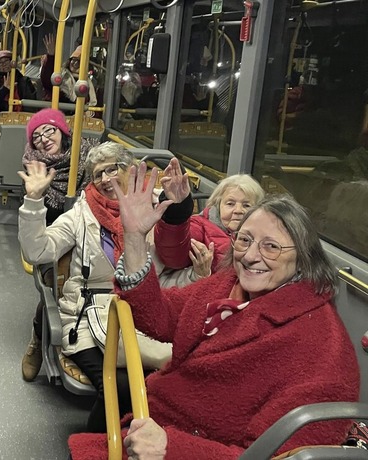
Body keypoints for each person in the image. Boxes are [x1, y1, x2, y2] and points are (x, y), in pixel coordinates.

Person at [68, 163, 360, 459]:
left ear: (303, 259)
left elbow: (275, 456)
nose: (250, 255)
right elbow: (159, 316)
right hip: (157, 421)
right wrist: (133, 239)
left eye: (271, 246)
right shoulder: (228, 283)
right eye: (244, 240)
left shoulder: (323, 350)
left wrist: (173, 448)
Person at [18, 142, 210, 433]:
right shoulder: (81, 215)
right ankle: (98, 446)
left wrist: (196, 276)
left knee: (169, 383)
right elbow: (37, 251)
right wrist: (33, 201)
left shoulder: (158, 211)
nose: (106, 179)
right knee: (120, 389)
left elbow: (166, 282)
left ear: (130, 171)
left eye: (113, 169)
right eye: (98, 174)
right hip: (87, 314)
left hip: (142, 313)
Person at [20, 108, 100, 382]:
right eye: (37, 136)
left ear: (63, 132)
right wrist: (37, 195)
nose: (43, 139)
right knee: (55, 286)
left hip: (91, 233)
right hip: (59, 237)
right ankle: (37, 338)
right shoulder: (35, 169)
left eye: (49, 131)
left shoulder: (90, 159)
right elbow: (39, 229)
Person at [154, 167, 265, 273]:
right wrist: (176, 213)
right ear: (218, 205)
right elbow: (174, 254)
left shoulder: (266, 234)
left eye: (246, 205)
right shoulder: (200, 226)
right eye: (230, 204)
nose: (238, 210)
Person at [40, 34, 98, 110]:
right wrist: (51, 56)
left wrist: (88, 112)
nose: (75, 63)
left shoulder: (87, 82)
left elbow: (93, 105)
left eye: (79, 61)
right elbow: (47, 81)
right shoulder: (61, 74)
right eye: (73, 59)